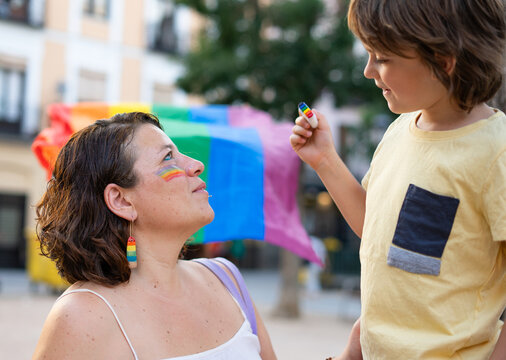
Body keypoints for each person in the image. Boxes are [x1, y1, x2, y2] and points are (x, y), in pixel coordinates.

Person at [291, 0, 506, 359]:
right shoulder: (398, 131)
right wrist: (325, 159)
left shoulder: (496, 153)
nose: (368, 71)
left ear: (443, 60)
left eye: (382, 58)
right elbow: (377, 230)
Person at [32, 112, 277, 359]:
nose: (196, 165)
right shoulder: (82, 317)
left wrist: (319, 163)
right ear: (121, 200)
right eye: (168, 158)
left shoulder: (227, 280)